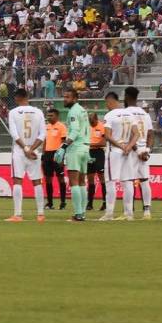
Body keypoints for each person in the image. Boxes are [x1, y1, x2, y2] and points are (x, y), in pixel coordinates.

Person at [5, 88, 46, 222]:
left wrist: (25, 148)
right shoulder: (38, 112)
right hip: (34, 151)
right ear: (27, 96)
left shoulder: (13, 112)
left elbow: (14, 133)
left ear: (16, 98)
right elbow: (42, 134)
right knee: (37, 181)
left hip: (19, 150)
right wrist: (31, 149)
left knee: (17, 180)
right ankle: (40, 214)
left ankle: (18, 214)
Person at [100, 91, 134, 220]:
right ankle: (129, 213)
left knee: (110, 181)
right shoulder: (129, 114)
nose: (106, 106)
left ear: (110, 101)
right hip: (127, 150)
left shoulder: (110, 115)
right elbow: (136, 133)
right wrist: (129, 146)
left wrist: (120, 147)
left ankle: (109, 213)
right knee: (127, 182)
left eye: (106, 103)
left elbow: (108, 136)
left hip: (115, 151)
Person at [59, 87, 91, 222]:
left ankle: (78, 214)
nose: (65, 99)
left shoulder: (73, 112)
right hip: (85, 148)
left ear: (75, 99)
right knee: (82, 182)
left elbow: (75, 130)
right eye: (64, 97)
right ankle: (82, 212)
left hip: (76, 148)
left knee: (74, 182)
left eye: (68, 97)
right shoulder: (83, 110)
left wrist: (64, 146)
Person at [123, 86, 154, 219]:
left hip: (132, 150)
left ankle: (129, 213)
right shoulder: (145, 114)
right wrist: (146, 150)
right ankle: (147, 211)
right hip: (143, 151)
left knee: (129, 180)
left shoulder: (126, 113)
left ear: (126, 97)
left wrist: (137, 150)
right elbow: (151, 134)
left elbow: (130, 134)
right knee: (144, 180)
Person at [42, 107, 68, 210]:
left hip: (57, 154)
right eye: (48, 115)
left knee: (60, 178)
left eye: (51, 115)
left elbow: (64, 142)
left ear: (57, 116)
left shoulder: (61, 126)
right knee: (48, 179)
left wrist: (62, 155)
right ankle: (50, 203)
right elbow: (44, 140)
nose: (49, 117)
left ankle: (62, 202)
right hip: (47, 154)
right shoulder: (46, 127)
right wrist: (43, 154)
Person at [87, 111, 106, 211]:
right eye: (89, 121)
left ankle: (105, 203)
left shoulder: (101, 126)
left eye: (92, 121)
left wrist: (90, 145)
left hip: (98, 153)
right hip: (89, 153)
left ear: (96, 119)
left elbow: (103, 143)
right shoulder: (87, 126)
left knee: (102, 178)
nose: (90, 123)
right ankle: (89, 203)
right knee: (90, 178)